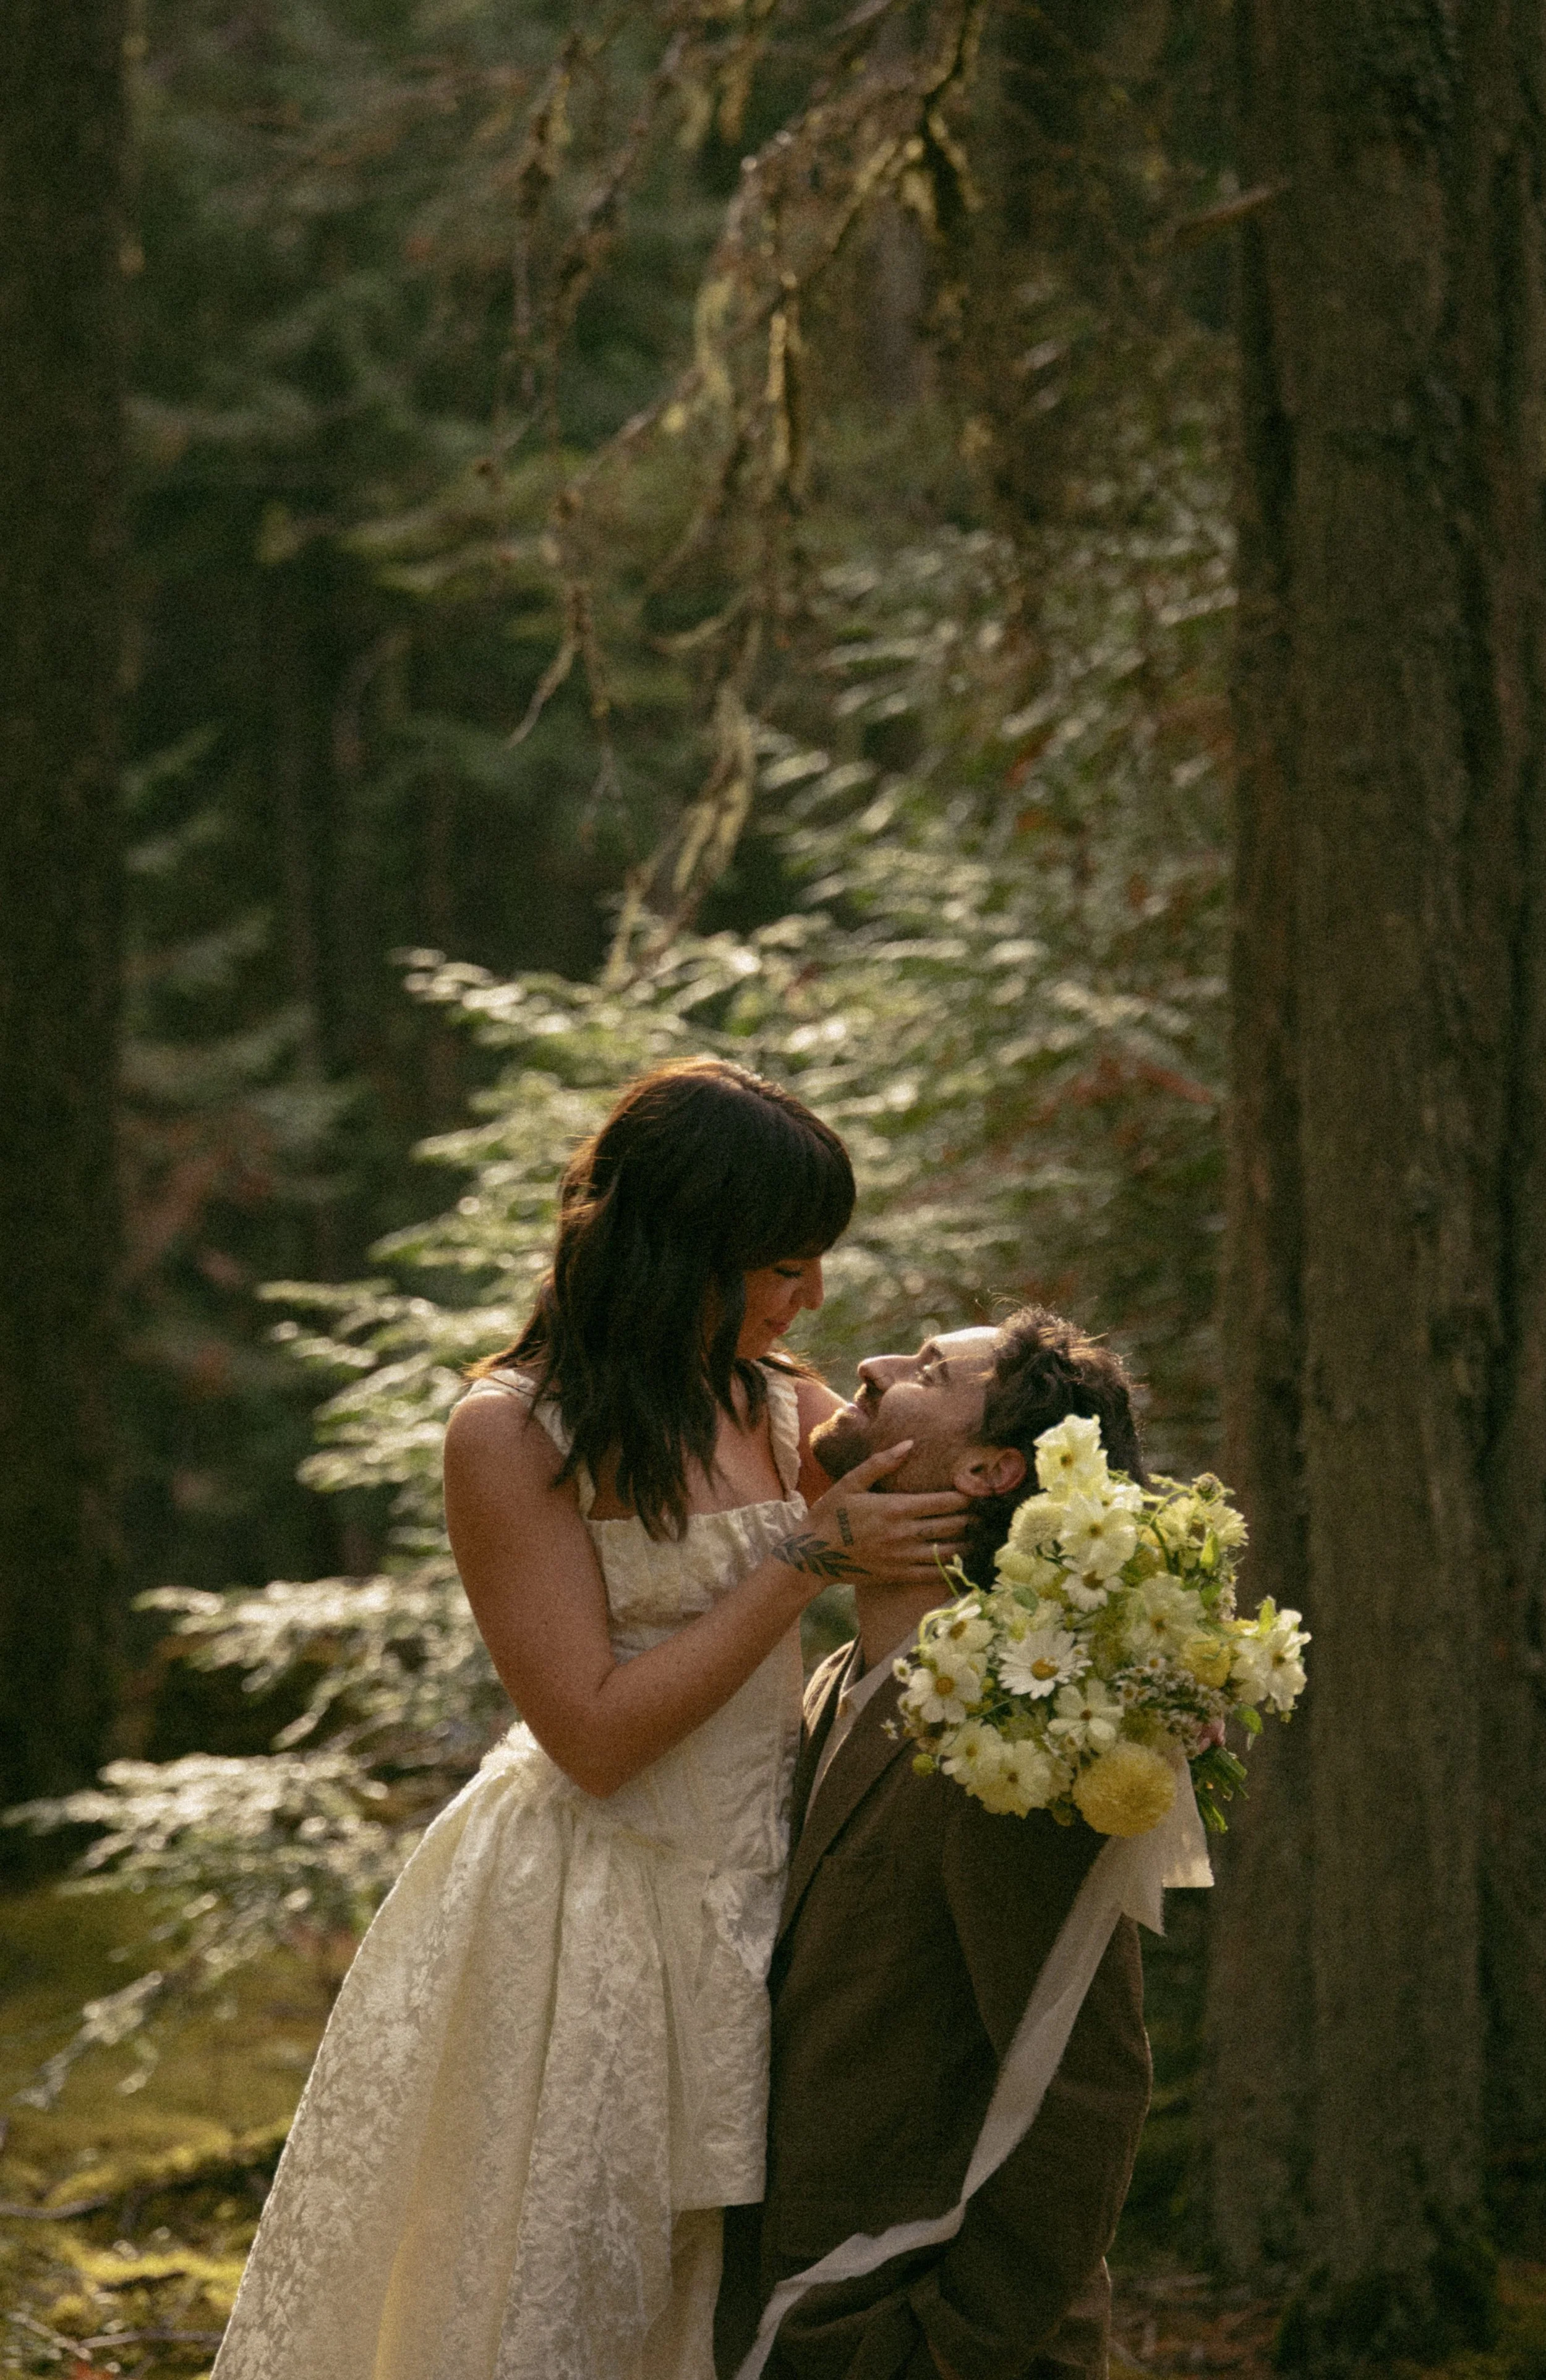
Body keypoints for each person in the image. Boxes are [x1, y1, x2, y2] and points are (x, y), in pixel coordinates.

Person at [212, 1059, 970, 2380]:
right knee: (569, 2294)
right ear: (679, 1250)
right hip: (590, 1915)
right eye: (783, 1268)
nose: (812, 1302)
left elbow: (924, 1571)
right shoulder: (509, 1433)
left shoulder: (782, 1402)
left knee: (727, 2302)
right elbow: (595, 1734)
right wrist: (799, 1556)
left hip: (769, 1894)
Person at [715, 1308, 1156, 2380]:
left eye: (924, 1371)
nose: (867, 1366)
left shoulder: (1020, 1737)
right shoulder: (822, 1694)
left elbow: (1084, 2082)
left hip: (911, 2336)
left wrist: (953, 2344)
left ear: (989, 1470)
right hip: (783, 2314)